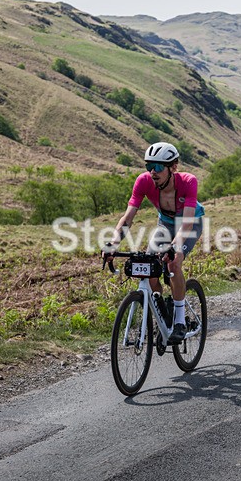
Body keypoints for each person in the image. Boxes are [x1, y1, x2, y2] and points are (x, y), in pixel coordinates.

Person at [103, 142, 205, 344]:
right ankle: (162, 314)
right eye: (149, 166)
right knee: (149, 267)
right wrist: (113, 243)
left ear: (173, 167)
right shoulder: (143, 181)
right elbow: (128, 218)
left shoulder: (188, 181)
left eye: (158, 167)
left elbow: (186, 224)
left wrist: (174, 247)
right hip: (165, 224)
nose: (153, 172)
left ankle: (179, 321)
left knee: (173, 263)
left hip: (190, 224)